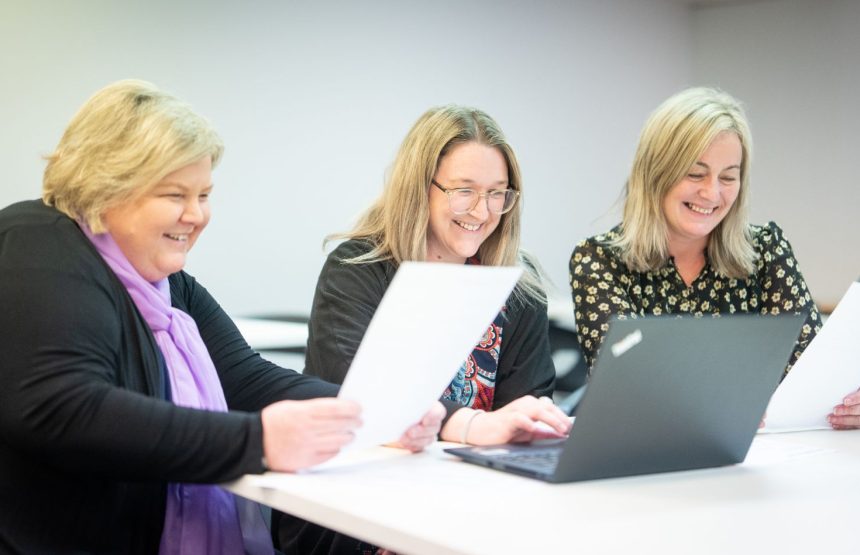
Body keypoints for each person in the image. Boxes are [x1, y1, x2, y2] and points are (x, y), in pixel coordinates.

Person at [0, 79, 444, 554]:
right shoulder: (37, 243)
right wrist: (258, 440)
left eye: (204, 195)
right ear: (107, 188)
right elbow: (66, 410)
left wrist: (386, 419)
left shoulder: (167, 287)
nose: (196, 216)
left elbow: (246, 378)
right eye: (175, 195)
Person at [277, 105, 571, 553]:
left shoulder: (518, 283)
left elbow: (525, 405)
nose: (482, 210)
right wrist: (475, 427)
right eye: (464, 190)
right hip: (359, 504)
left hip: (472, 500)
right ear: (421, 189)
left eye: (497, 193)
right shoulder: (358, 269)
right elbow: (358, 398)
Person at [569, 86, 860, 430]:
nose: (712, 193)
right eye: (695, 173)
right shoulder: (600, 261)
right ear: (655, 173)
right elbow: (628, 389)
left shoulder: (765, 249)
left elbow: (811, 372)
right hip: (653, 460)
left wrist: (845, 403)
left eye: (728, 177)